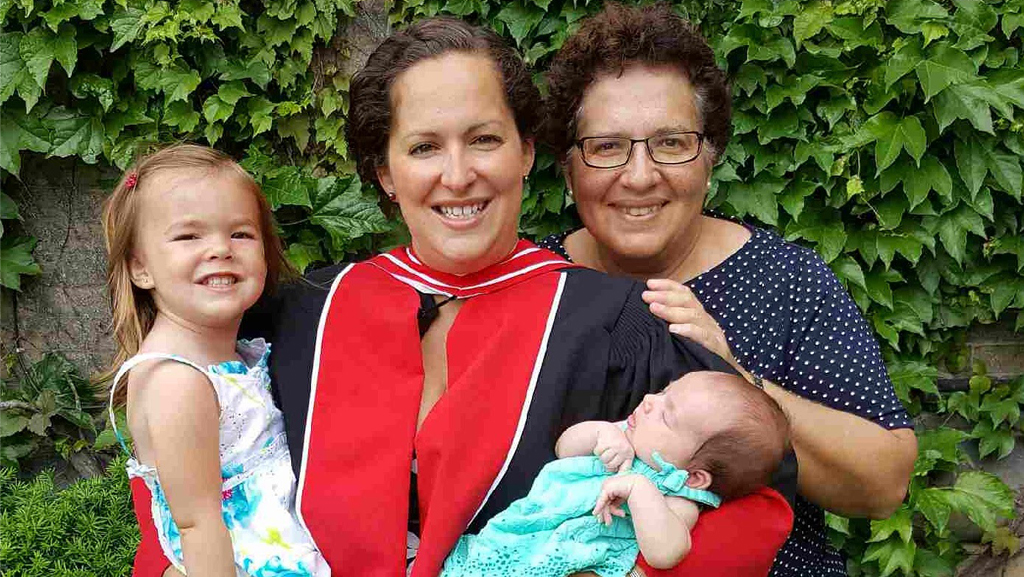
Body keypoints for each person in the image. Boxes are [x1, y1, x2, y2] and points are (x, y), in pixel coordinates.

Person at [128, 17, 795, 577]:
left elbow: (754, 508)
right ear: (385, 172)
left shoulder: (613, 323)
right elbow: (187, 469)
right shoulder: (309, 309)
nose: (458, 174)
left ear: (527, 152)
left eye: (484, 139)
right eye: (423, 147)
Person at [536, 3, 918, 576]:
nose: (640, 175)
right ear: (569, 170)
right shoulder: (536, 280)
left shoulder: (786, 282)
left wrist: (738, 376)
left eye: (670, 142)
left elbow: (882, 484)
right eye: (607, 146)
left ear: (711, 158)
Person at [101, 144, 329, 577]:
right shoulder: (177, 382)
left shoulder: (233, 352)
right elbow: (197, 523)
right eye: (189, 236)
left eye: (240, 233)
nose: (220, 249)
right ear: (140, 269)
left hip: (280, 542)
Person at [441, 371, 790, 576]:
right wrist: (600, 433)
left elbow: (666, 553)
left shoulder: (677, 498)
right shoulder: (625, 433)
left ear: (696, 477)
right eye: (664, 392)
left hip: (566, 560)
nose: (650, 400)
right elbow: (565, 448)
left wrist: (640, 490)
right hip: (524, 531)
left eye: (667, 415)